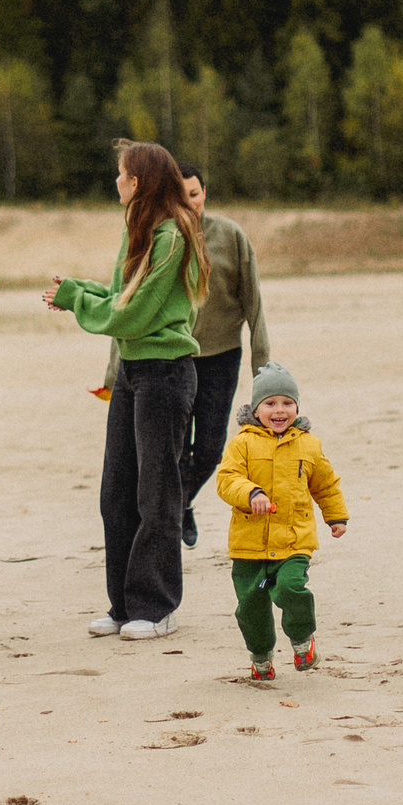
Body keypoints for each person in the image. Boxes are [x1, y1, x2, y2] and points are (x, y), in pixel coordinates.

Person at [46, 141, 208, 641]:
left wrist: (79, 304)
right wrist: (77, 290)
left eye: (120, 174)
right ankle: (123, 605)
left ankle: (156, 608)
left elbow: (134, 314)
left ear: (136, 182)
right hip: (132, 372)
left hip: (165, 372)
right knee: (115, 493)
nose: (115, 181)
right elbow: (122, 295)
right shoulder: (138, 228)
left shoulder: (174, 235)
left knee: (156, 494)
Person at [96, 160, 269, 548]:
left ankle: (180, 502)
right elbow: (127, 307)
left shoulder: (230, 236)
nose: (189, 203)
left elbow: (254, 302)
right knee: (169, 452)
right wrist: (113, 371)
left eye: (195, 194)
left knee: (208, 451)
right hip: (172, 359)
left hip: (221, 357)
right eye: (181, 195)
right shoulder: (160, 238)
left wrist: (262, 364)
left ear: (205, 193)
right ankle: (170, 516)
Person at [212, 363, 348, 683]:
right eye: (270, 403)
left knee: (290, 588)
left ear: (297, 407)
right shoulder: (242, 443)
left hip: (292, 540)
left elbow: (325, 484)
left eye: (287, 402)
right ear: (255, 409)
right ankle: (260, 656)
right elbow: (227, 479)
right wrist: (251, 493)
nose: (279, 410)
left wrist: (336, 516)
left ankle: (302, 639)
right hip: (250, 545)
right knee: (251, 606)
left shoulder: (308, 444)